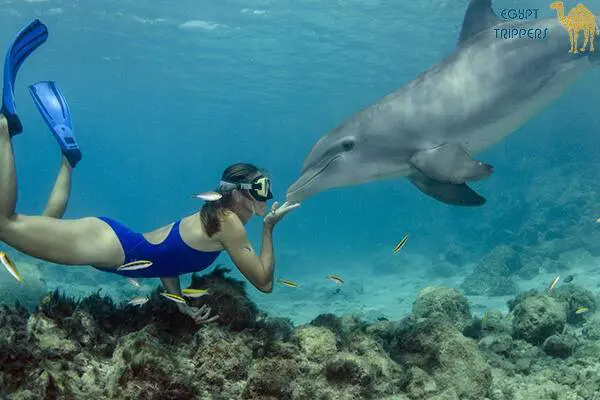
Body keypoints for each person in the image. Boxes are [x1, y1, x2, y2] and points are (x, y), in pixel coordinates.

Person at [0, 20, 299, 325]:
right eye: (261, 188)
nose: (268, 195)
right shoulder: (229, 222)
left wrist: (180, 302)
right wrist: (268, 230)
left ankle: (68, 159)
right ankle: (4, 128)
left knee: (45, 225)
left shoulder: (214, 215)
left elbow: (169, 260)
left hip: (112, 241)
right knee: (5, 224)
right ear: (237, 193)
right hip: (112, 247)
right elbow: (264, 283)